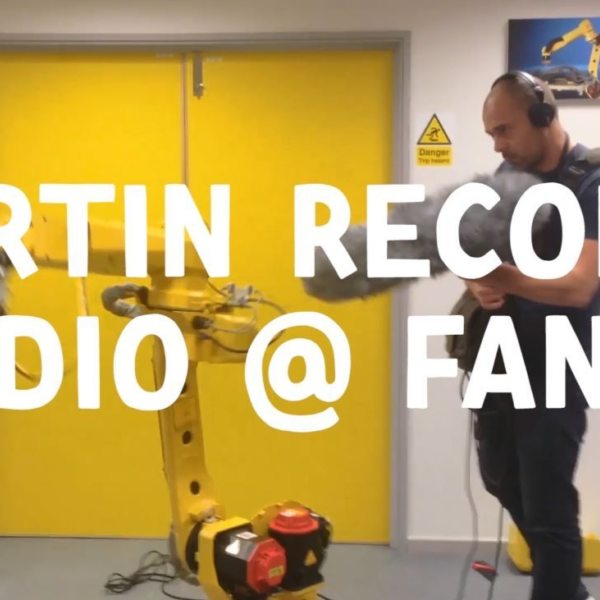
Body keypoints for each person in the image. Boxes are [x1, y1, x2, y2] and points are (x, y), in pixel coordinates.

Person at [464, 71, 600, 600]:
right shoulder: (507, 177)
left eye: (504, 130)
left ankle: (559, 587)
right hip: (502, 355)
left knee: (548, 508)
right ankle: (566, 585)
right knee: (498, 476)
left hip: (560, 362)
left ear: (543, 116)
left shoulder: (590, 183)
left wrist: (504, 278)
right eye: (491, 134)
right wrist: (478, 282)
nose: (498, 145)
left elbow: (580, 287)